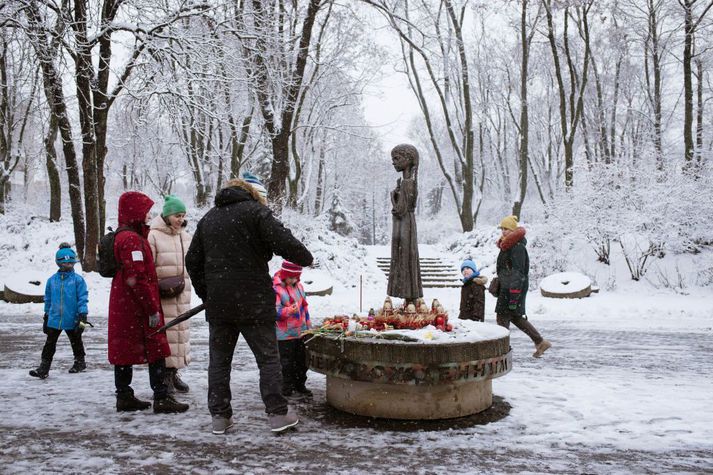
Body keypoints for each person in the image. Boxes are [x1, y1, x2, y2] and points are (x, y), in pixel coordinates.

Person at [186, 174, 313, 435]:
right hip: (254, 302)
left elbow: (192, 261)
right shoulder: (256, 214)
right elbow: (298, 252)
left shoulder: (209, 218)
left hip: (220, 306)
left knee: (219, 362)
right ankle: (277, 414)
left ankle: (220, 417)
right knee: (268, 360)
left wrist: (207, 294)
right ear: (253, 194)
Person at [108, 191, 189, 414]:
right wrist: (152, 308)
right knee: (157, 348)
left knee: (124, 350)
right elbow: (139, 278)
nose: (148, 215)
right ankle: (161, 396)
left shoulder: (124, 235)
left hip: (125, 304)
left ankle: (124, 395)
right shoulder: (132, 241)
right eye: (145, 211)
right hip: (137, 306)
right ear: (135, 212)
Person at [148, 195, 193, 394]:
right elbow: (149, 266)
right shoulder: (153, 235)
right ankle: (164, 374)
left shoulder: (186, 236)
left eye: (182, 215)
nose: (180, 219)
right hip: (163, 293)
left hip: (182, 292)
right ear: (167, 215)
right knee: (167, 335)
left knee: (180, 334)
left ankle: (173, 372)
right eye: (177, 215)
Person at [494, 215, 551, 358]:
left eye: (506, 229)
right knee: (516, 317)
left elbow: (518, 273)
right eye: (502, 228)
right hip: (508, 287)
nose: (503, 231)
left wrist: (514, 295)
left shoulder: (517, 248)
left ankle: (501, 351)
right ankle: (540, 341)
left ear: (513, 230)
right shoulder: (507, 246)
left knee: (502, 318)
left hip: (512, 289)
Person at [29, 243, 89, 379]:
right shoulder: (51, 281)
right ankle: (44, 368)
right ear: (59, 264)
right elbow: (48, 299)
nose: (68, 266)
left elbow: (83, 298)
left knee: (76, 341)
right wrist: (46, 316)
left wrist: (82, 315)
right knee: (49, 343)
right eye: (65, 264)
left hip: (72, 317)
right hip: (55, 318)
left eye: (71, 263)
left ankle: (80, 362)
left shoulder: (78, 281)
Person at [387, 144, 423, 304]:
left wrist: (393, 196)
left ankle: (409, 294)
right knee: (405, 257)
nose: (393, 162)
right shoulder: (407, 181)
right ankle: (409, 294)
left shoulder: (408, 182)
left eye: (397, 158)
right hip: (405, 225)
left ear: (408, 160)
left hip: (405, 225)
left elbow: (400, 209)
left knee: (405, 257)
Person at [273, 260, 312, 398]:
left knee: (301, 361)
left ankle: (300, 385)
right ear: (284, 275)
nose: (293, 280)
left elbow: (304, 307)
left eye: (296, 277)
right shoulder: (277, 288)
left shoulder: (299, 287)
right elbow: (275, 312)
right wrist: (289, 310)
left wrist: (308, 325)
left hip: (300, 331)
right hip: (284, 334)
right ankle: (286, 388)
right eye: (290, 277)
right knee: (286, 363)